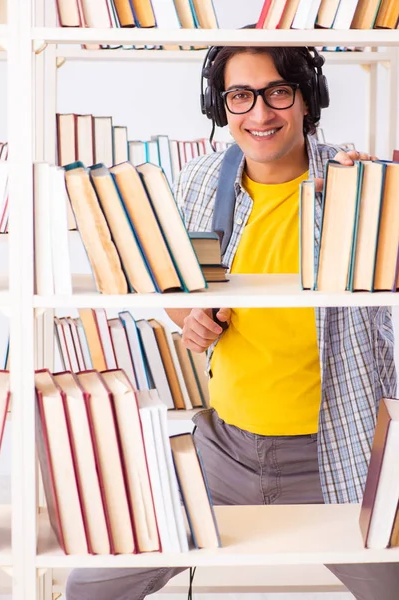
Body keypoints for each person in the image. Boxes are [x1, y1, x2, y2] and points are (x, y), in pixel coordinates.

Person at [66, 44, 398, 600]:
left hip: (339, 459)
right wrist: (189, 318)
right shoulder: (197, 181)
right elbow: (168, 280)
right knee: (89, 587)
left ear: (308, 100)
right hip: (221, 452)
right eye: (241, 96)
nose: (260, 114)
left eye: (278, 93)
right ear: (221, 106)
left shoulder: (357, 185)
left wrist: (385, 205)